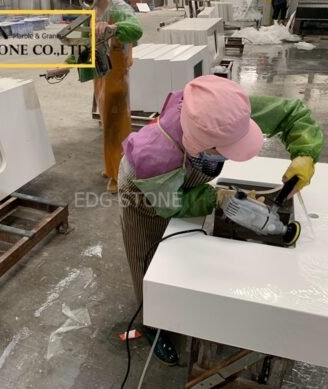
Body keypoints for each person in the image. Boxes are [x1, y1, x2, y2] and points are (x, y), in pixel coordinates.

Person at [118, 75, 324, 365]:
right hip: (146, 191)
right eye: (226, 149)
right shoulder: (156, 156)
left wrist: (305, 154)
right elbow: (170, 204)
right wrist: (217, 198)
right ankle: (151, 321)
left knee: (183, 250)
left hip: (179, 176)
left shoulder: (221, 111)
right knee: (147, 255)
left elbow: (292, 114)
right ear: (201, 145)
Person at [65, 0, 142, 193]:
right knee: (107, 124)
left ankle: (121, 174)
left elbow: (135, 29)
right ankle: (112, 167)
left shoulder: (118, 8)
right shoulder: (91, 12)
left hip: (116, 71)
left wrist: (113, 27)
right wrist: (65, 65)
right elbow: (84, 45)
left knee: (117, 124)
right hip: (100, 72)